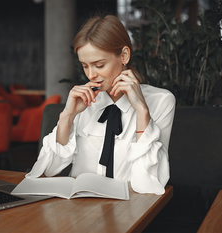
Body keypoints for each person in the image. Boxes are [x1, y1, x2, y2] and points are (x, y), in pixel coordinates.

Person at [26, 14, 176, 195]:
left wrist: (142, 111)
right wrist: (67, 116)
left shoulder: (161, 101)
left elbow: (149, 185)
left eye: (99, 65)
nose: (91, 75)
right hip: (77, 209)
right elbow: (48, 171)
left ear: (124, 55)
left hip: (130, 211)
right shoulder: (84, 101)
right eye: (85, 65)